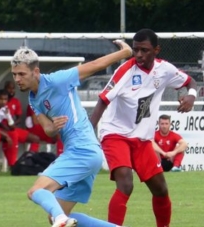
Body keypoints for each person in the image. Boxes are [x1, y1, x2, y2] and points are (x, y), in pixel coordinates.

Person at [11, 39, 132, 227]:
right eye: (14, 74)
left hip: (81, 150)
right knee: (56, 214)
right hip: (85, 153)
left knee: (36, 192)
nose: (17, 79)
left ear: (35, 72)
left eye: (21, 74)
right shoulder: (33, 99)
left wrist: (124, 53)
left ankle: (61, 220)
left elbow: (93, 66)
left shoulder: (58, 80)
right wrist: (54, 125)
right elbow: (48, 130)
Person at [90, 29, 197, 227]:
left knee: (161, 189)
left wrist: (191, 95)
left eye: (144, 50)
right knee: (126, 184)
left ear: (156, 50)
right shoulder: (125, 71)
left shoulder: (164, 69)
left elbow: (191, 81)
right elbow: (102, 102)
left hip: (142, 139)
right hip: (115, 134)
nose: (138, 55)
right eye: (135, 49)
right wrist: (88, 133)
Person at [4, 80, 40, 151]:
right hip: (2, 129)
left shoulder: (16, 101)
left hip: (12, 128)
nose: (11, 90)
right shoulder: (0, 102)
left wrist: (13, 124)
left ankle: (30, 158)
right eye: (9, 88)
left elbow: (19, 118)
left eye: (13, 88)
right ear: (5, 89)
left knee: (35, 139)